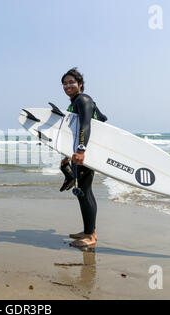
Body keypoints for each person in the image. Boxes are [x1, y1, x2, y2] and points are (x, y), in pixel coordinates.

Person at [60, 68, 98, 248]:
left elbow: (85, 124)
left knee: (85, 191)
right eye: (65, 83)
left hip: (86, 153)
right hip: (78, 152)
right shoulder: (74, 103)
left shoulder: (83, 100)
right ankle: (88, 231)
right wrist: (68, 155)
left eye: (71, 82)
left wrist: (82, 150)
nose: (68, 86)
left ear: (80, 84)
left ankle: (90, 237)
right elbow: (73, 132)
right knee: (81, 192)